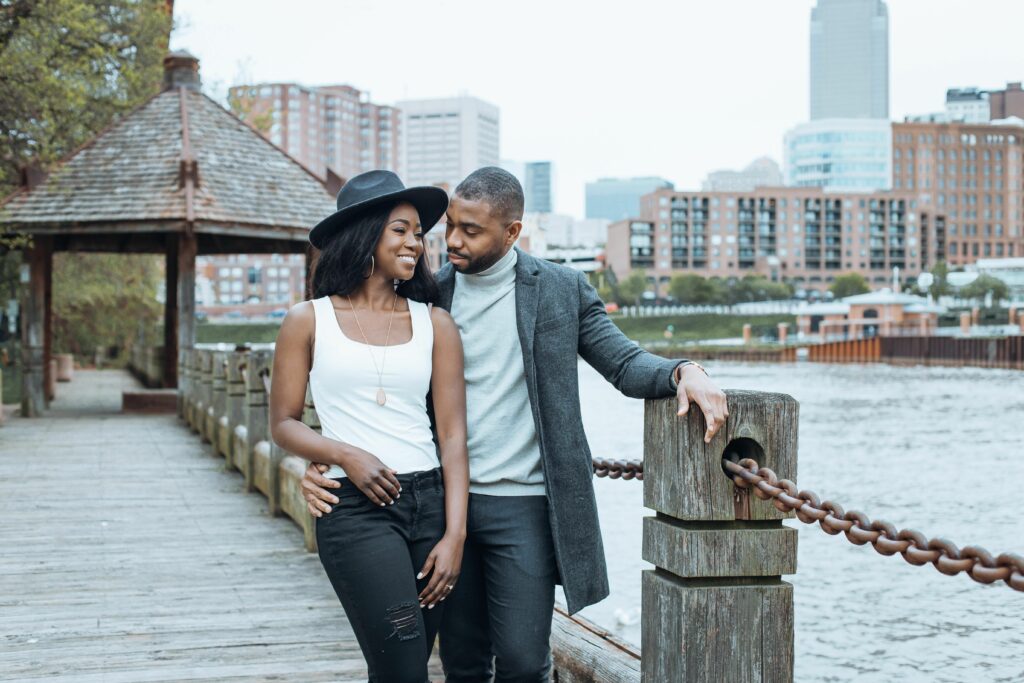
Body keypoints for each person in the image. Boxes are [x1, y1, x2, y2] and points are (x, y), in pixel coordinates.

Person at [301, 167, 728, 682]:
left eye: (472, 230)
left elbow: (623, 363)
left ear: (512, 232)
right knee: (462, 662)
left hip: (523, 505)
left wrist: (685, 370)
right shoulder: (427, 295)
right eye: (451, 225)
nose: (453, 239)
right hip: (436, 505)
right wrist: (323, 458)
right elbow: (369, 389)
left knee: (526, 662)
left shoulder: (561, 290)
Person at [271, 170, 470, 682]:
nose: (415, 243)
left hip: (429, 506)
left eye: (418, 234)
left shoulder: (436, 323)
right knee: (406, 667)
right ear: (365, 234)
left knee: (397, 668)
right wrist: (345, 455)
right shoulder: (307, 319)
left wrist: (455, 535)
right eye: (400, 230)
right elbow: (283, 424)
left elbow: (452, 437)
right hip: (356, 510)